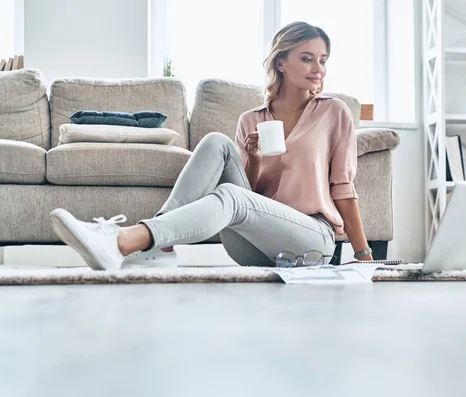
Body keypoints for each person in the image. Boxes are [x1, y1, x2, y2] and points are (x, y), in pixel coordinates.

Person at [49, 21, 374, 270]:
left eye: (323, 60)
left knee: (230, 196)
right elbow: (253, 196)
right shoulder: (251, 119)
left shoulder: (333, 112)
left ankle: (127, 241)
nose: (318, 69)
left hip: (310, 241)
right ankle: (159, 249)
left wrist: (363, 255)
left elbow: (343, 189)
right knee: (216, 143)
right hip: (252, 242)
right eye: (307, 59)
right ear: (281, 63)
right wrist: (254, 159)